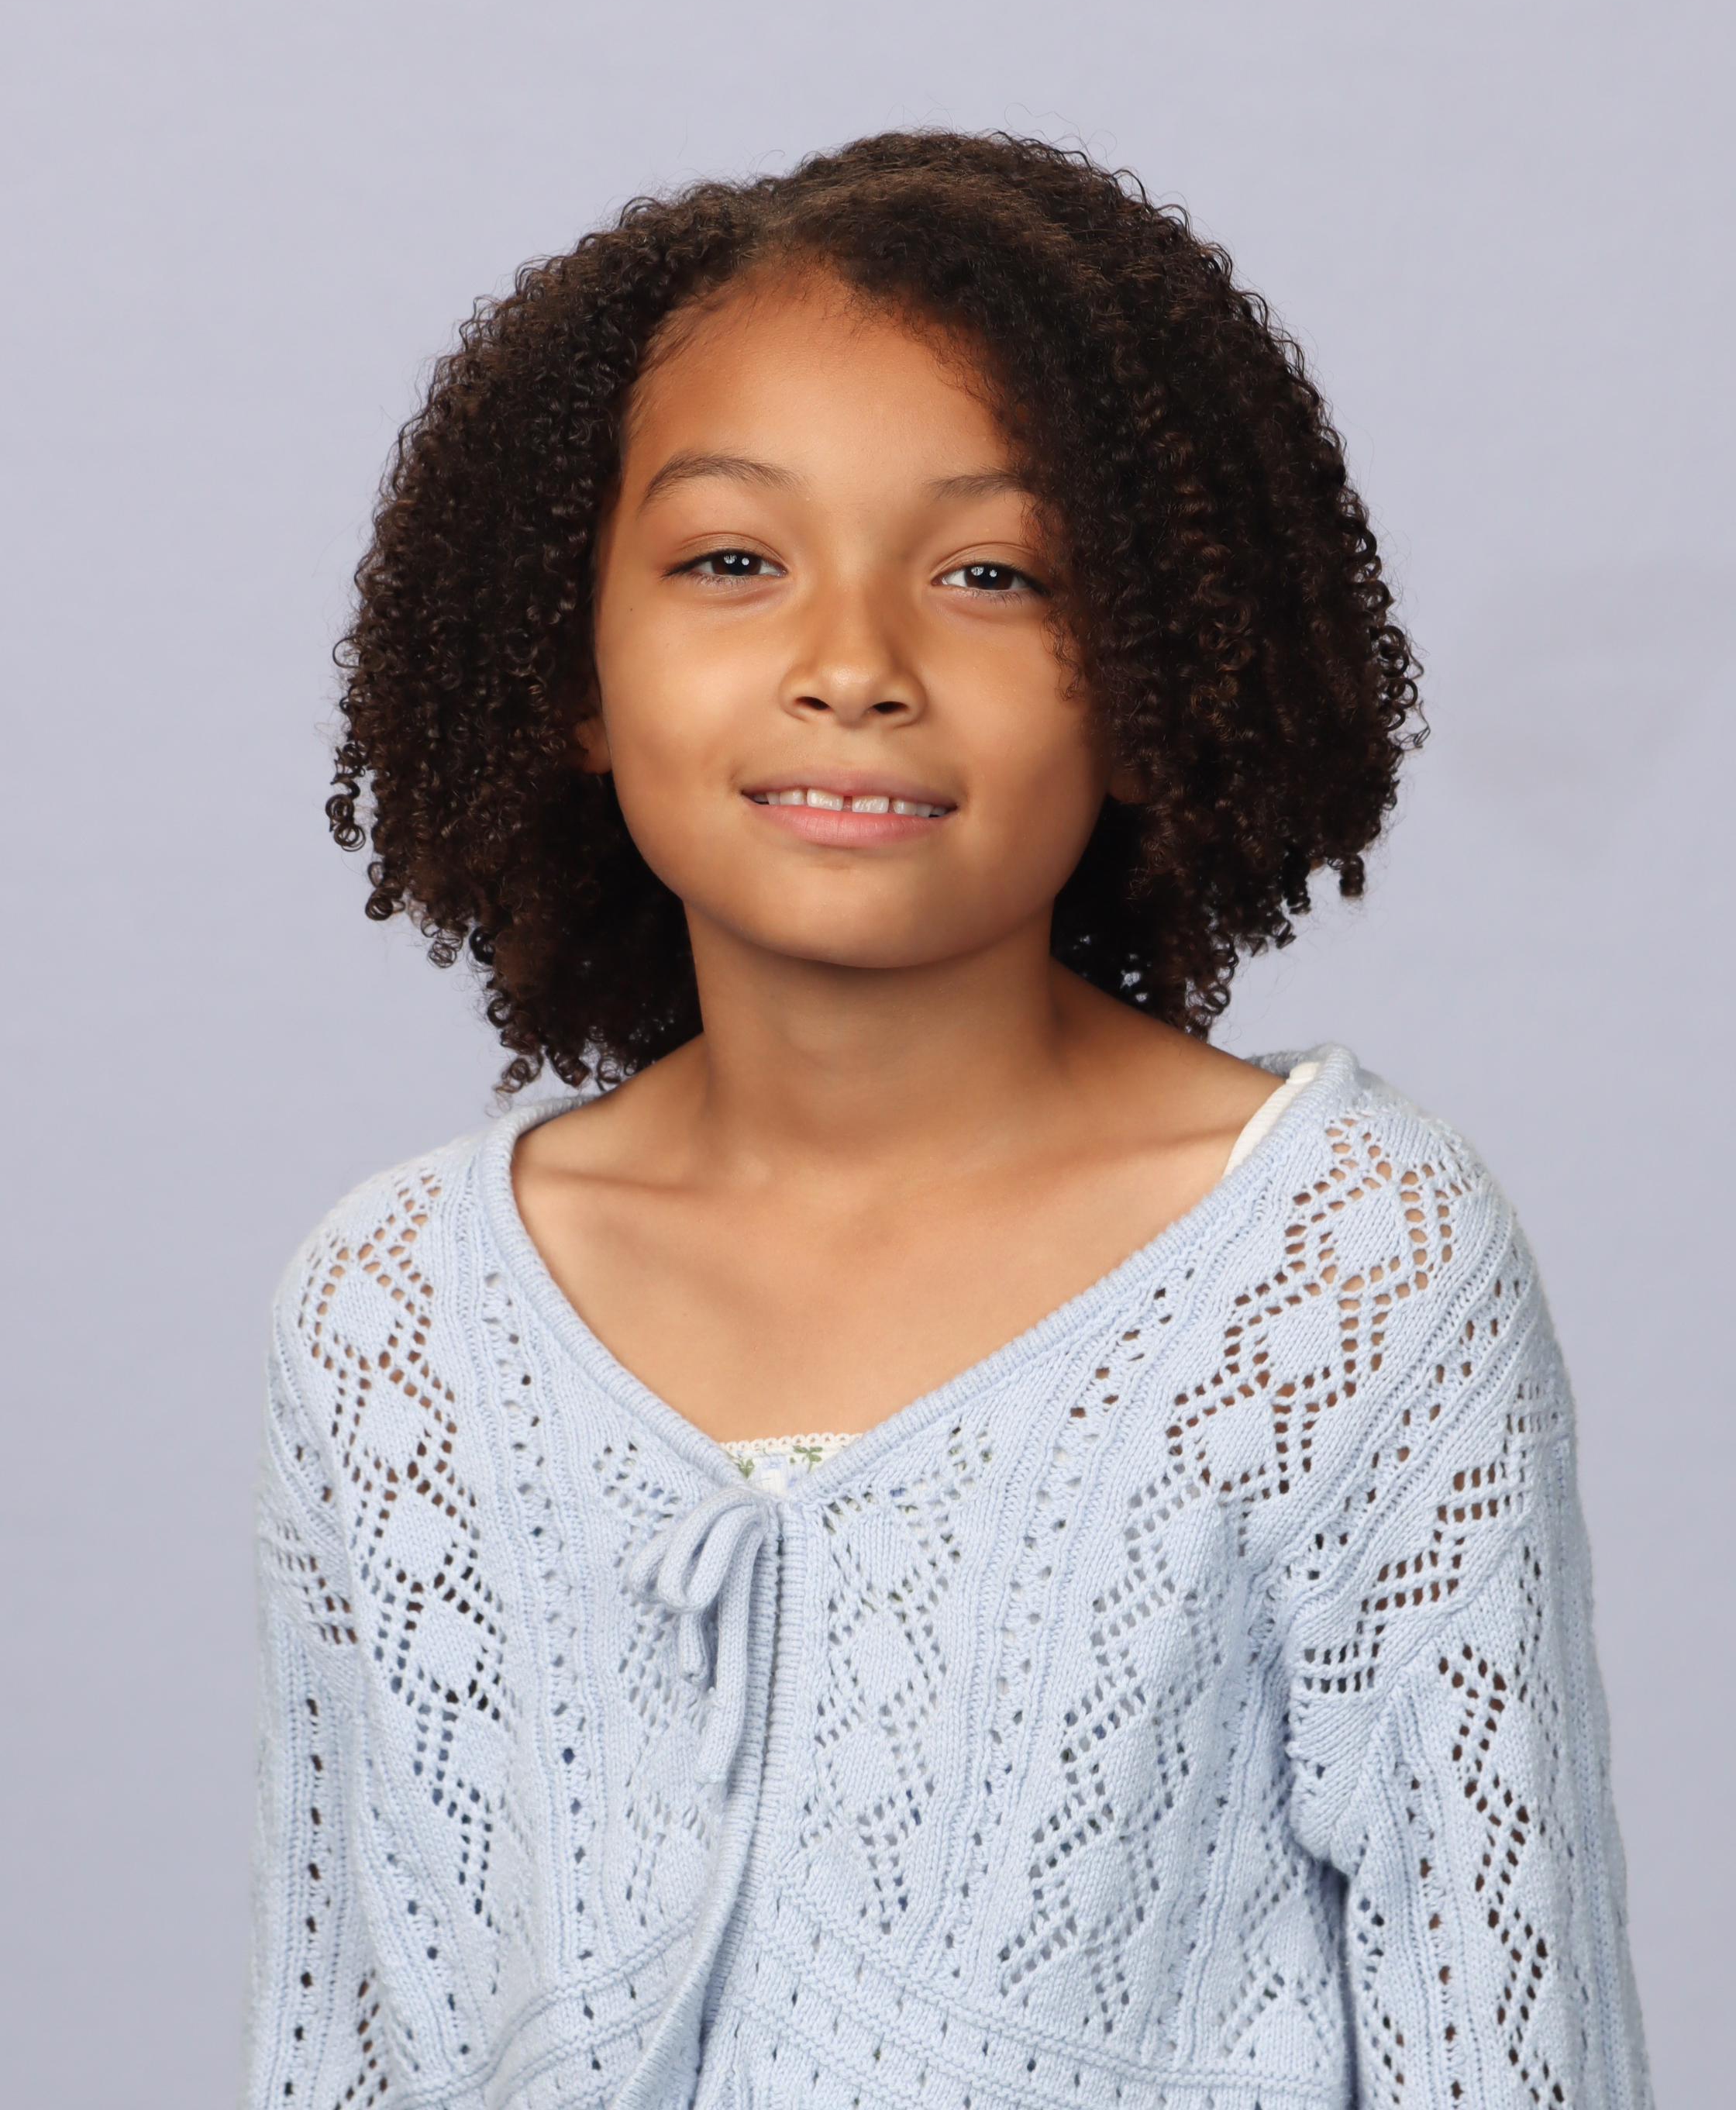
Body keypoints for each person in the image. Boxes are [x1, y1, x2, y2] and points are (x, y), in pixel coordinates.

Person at [246, 133, 1650, 2110]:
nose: (853, 667)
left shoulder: (1344, 1271)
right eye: (731, 560)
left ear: (1153, 669)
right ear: (570, 663)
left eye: (990, 574)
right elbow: (345, 2040)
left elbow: (1516, 2048)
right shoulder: (393, 1321)